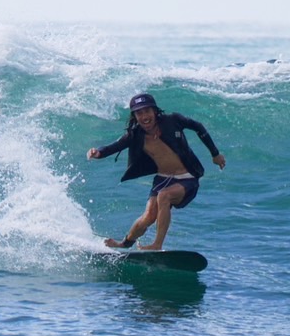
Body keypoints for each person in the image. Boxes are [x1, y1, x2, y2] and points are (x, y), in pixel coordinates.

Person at [87, 92, 226, 251]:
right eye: (139, 113)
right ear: (135, 116)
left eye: (147, 111)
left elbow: (198, 127)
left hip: (187, 178)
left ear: (154, 111)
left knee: (164, 196)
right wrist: (97, 153)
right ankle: (125, 243)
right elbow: (114, 146)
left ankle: (157, 245)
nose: (144, 116)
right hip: (162, 179)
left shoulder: (173, 120)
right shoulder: (135, 134)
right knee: (148, 217)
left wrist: (215, 154)